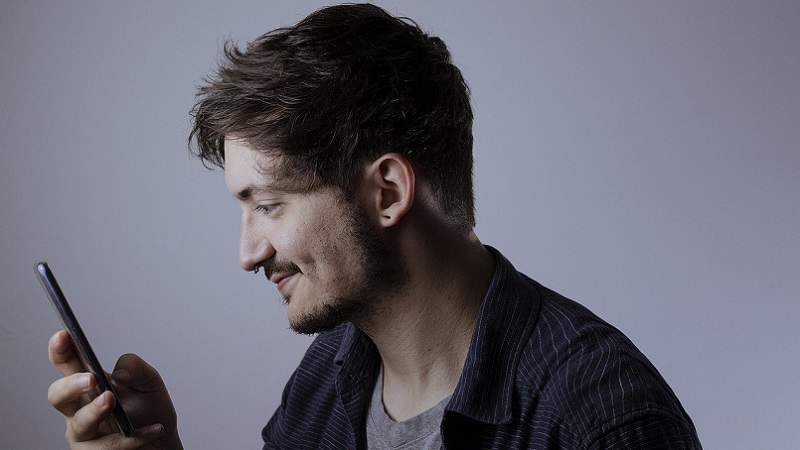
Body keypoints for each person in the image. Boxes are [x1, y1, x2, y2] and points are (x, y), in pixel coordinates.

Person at [46, 3, 702, 449]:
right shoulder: (328, 375)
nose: (247, 253)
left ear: (387, 193)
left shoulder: (601, 419)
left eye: (268, 205)